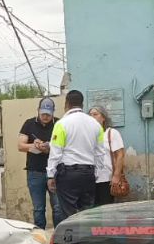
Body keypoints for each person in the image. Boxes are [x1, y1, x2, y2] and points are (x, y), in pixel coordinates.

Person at [47, 90, 103, 217]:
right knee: (87, 213)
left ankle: (72, 237)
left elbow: (56, 152)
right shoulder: (96, 125)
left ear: (67, 103)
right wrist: (96, 173)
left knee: (69, 215)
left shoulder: (61, 124)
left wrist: (50, 175)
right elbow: (100, 153)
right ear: (82, 104)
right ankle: (86, 237)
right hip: (88, 173)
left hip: (68, 175)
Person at [19, 97, 63, 228]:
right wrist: (34, 145)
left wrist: (50, 148)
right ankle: (40, 236)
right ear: (38, 110)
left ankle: (59, 236)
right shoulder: (29, 123)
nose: (45, 116)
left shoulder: (59, 124)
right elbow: (20, 145)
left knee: (58, 207)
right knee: (38, 209)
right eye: (43, 113)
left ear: (53, 112)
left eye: (48, 114)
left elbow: (66, 146)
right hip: (35, 172)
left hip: (56, 172)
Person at [89, 105, 125, 206]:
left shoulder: (111, 133)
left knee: (105, 208)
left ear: (103, 118)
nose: (92, 117)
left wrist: (116, 175)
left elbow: (120, 155)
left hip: (106, 179)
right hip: (89, 178)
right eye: (90, 115)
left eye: (95, 114)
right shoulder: (87, 135)